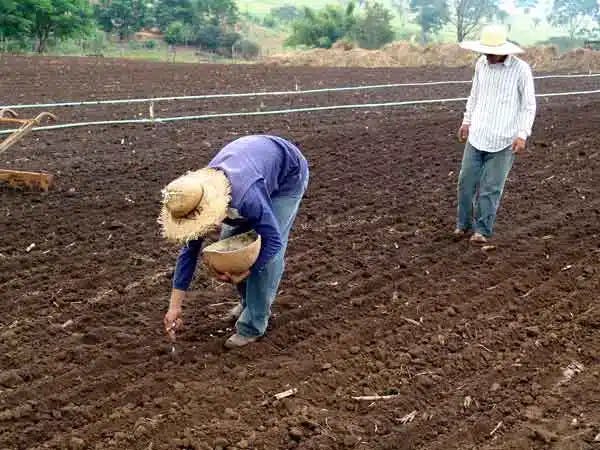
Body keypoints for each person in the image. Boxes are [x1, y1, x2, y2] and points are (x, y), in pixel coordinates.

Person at [159, 135, 309, 348]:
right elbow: (188, 253)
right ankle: (249, 302)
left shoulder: (246, 197)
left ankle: (253, 325)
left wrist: (248, 270)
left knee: (262, 257)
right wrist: (174, 307)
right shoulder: (192, 199)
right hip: (253, 167)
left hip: (287, 176)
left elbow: (273, 241)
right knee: (229, 251)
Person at [454, 24, 536, 244]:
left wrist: (522, 134)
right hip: (478, 134)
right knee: (465, 182)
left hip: (504, 139)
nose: (487, 55)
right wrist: (466, 121)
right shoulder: (481, 65)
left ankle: (482, 230)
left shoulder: (521, 70)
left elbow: (528, 105)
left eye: (491, 52)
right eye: (485, 51)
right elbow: (475, 94)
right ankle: (463, 225)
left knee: (491, 188)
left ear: (503, 51)